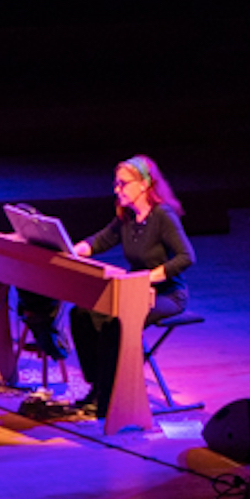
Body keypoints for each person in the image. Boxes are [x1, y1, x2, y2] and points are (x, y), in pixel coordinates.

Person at [68, 155, 195, 416]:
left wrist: (149, 277)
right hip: (132, 291)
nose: (117, 189)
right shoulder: (126, 217)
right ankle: (98, 386)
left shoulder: (163, 216)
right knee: (80, 313)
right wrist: (70, 250)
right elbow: (99, 241)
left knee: (116, 323)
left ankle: (109, 397)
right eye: (116, 184)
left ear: (144, 185)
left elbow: (186, 257)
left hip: (167, 295)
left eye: (123, 184)